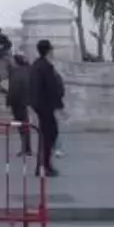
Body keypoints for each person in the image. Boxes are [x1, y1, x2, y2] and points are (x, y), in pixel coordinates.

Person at [28, 40, 64, 178]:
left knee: (49, 135)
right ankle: (44, 165)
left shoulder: (38, 65)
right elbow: (49, 87)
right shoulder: (44, 67)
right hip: (45, 106)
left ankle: (43, 164)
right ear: (49, 50)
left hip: (42, 105)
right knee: (49, 135)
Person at [6, 55, 33, 156]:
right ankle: (26, 147)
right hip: (23, 101)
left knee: (22, 125)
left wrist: (9, 101)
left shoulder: (17, 73)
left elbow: (13, 89)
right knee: (24, 125)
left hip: (18, 102)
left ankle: (25, 148)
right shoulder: (24, 70)